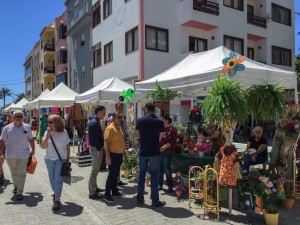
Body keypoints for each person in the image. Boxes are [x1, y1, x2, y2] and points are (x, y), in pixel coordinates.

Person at [136, 102, 165, 208]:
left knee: (141, 175)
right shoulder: (159, 122)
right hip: (154, 151)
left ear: (147, 109)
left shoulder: (139, 120)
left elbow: (138, 136)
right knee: (154, 177)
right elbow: (160, 138)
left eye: (144, 108)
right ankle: (155, 201)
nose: (144, 109)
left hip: (143, 151)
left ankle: (140, 200)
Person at [0, 110, 35, 200]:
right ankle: (16, 186)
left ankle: (19, 192)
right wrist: (1, 153)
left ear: (22, 118)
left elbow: (31, 139)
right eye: (17, 116)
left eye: (20, 116)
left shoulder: (27, 127)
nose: (19, 118)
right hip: (10, 155)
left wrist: (33, 149)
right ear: (13, 117)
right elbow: (2, 141)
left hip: (23, 155)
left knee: (21, 174)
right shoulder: (7, 128)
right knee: (13, 172)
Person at [40, 115, 70, 211]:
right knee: (51, 178)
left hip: (61, 159)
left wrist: (68, 159)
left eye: (50, 122)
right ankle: (56, 192)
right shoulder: (46, 132)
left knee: (58, 178)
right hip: (49, 158)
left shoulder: (64, 133)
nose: (48, 124)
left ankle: (57, 199)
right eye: (48, 122)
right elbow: (43, 146)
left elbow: (67, 147)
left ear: (57, 123)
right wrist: (48, 134)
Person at [103, 111, 126, 203]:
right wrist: (107, 157)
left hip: (119, 155)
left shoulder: (118, 127)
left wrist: (124, 153)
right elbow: (106, 143)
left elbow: (121, 141)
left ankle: (114, 191)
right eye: (118, 118)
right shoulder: (110, 128)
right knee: (112, 175)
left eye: (121, 118)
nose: (120, 119)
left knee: (116, 174)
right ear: (113, 118)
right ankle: (106, 194)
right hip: (113, 155)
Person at [106, 101, 127, 186]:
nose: (120, 109)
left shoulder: (122, 118)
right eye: (118, 108)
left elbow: (124, 129)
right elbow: (108, 134)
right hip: (114, 147)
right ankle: (113, 185)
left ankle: (117, 180)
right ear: (116, 108)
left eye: (121, 108)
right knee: (113, 170)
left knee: (118, 166)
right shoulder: (112, 119)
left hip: (121, 141)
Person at [88, 105, 106, 199]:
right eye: (103, 112)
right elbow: (95, 138)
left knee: (95, 170)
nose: (104, 114)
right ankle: (92, 192)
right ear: (98, 112)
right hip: (96, 149)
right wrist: (99, 149)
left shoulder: (96, 122)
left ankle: (94, 187)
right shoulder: (95, 123)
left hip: (96, 148)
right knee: (94, 171)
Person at [159, 115, 177, 192]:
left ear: (167, 120)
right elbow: (158, 140)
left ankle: (170, 186)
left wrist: (165, 146)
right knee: (160, 169)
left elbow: (173, 141)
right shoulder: (160, 129)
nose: (161, 121)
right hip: (159, 152)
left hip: (167, 152)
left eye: (162, 119)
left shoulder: (172, 129)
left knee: (167, 169)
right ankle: (160, 185)